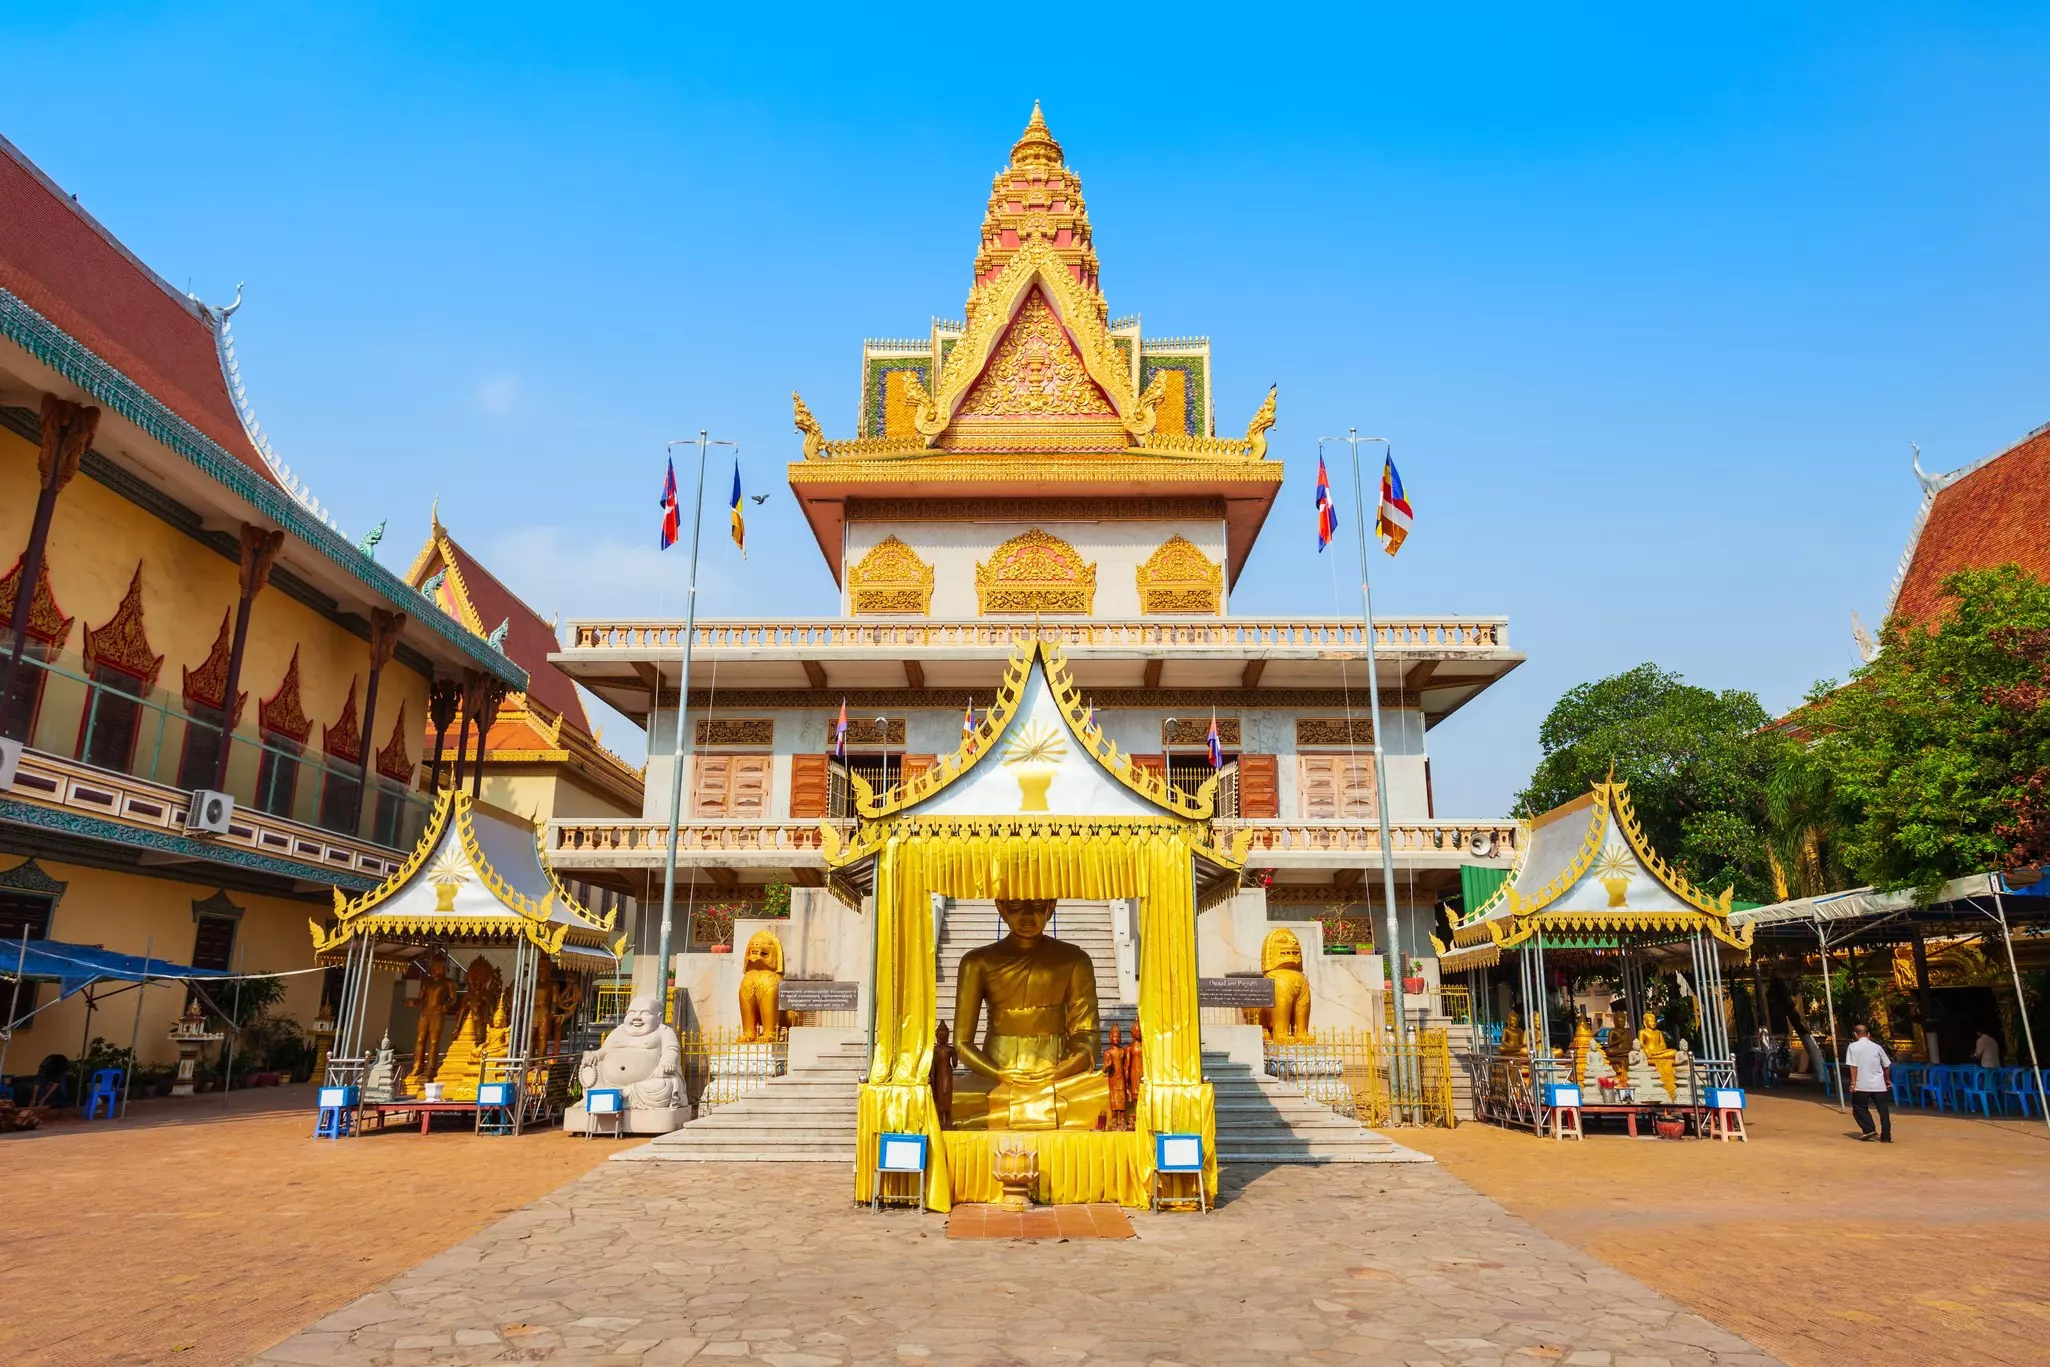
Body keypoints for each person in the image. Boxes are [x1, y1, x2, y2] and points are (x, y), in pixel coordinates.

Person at [1844, 1022, 1893, 1143]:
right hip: (1878, 1084)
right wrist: (1887, 1080)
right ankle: (1886, 1136)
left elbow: (1853, 1067)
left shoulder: (1853, 1047)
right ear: (1869, 1034)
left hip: (1862, 1084)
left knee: (1859, 1107)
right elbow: (1886, 1065)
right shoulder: (1877, 1047)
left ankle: (1869, 1128)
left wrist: (1853, 1083)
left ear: (1855, 1035)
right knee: (1883, 1110)